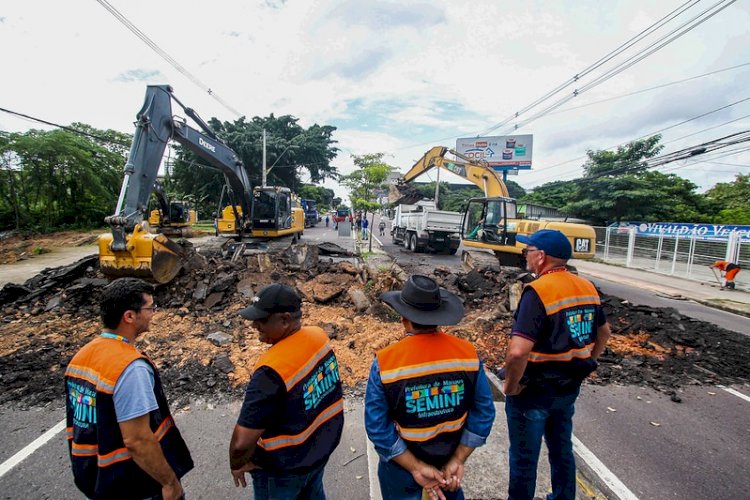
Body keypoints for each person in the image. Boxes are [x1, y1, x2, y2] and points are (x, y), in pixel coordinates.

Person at [365, 275, 496, 500]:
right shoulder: (467, 354)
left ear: (404, 319)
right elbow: (483, 412)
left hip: (401, 470)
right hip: (447, 466)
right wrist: (458, 459)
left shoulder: (386, 362)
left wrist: (415, 467)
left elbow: (378, 427)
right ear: (439, 317)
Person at [502, 229, 611, 500]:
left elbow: (518, 352)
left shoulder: (538, 291)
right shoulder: (586, 286)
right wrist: (590, 361)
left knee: (524, 459)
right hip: (568, 388)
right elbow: (604, 331)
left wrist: (511, 386)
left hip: (534, 391)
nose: (525, 255)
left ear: (542, 257)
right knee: (562, 450)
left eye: (529, 251)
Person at [64, 278, 193, 500]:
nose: (153, 313)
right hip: (132, 483)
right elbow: (137, 440)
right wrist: (170, 483)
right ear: (129, 316)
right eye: (150, 308)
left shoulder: (82, 357)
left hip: (96, 479)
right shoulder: (130, 368)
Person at [229, 283, 344, 499]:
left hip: (281, 470)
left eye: (261, 320)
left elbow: (242, 442)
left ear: (284, 319)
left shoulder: (270, 372)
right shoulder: (318, 337)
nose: (255, 326)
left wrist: (237, 464)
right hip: (317, 455)